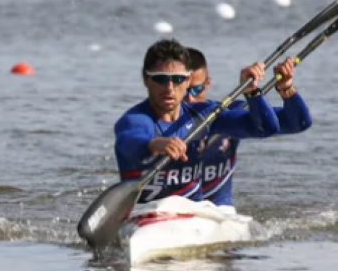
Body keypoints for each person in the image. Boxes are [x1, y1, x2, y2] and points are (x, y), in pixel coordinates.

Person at [114, 38, 280, 204]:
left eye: (178, 79)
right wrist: (153, 145)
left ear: (187, 81)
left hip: (193, 215)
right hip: (146, 215)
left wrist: (252, 92)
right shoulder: (135, 120)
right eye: (161, 79)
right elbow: (128, 142)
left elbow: (266, 128)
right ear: (146, 79)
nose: (170, 88)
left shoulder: (205, 115)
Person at [186, 47, 312, 207]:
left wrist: (285, 88)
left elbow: (298, 123)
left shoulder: (227, 114)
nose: (189, 99)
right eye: (183, 91)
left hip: (217, 212)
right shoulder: (152, 121)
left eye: (197, 89)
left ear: (208, 83)